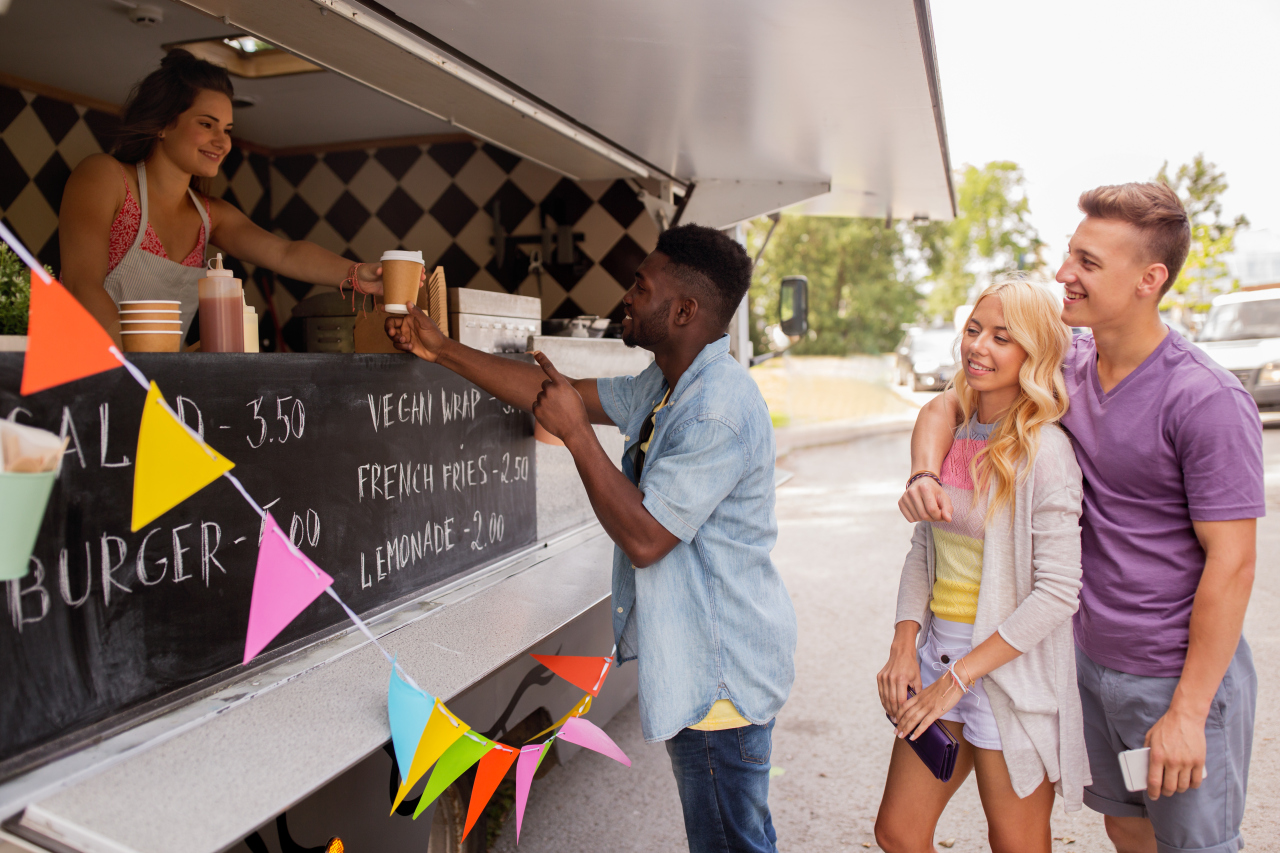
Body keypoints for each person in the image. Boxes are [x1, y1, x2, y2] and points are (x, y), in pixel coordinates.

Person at [385, 223, 797, 853]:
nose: (626, 296)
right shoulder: (668, 386)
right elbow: (557, 395)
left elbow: (647, 538)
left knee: (731, 844)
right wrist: (442, 350)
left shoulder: (716, 409)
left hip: (721, 676)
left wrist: (578, 436)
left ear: (684, 310)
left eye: (641, 285)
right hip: (711, 664)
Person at [902, 183, 1263, 853]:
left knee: (1196, 845)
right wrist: (925, 470)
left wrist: (1186, 710)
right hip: (1086, 668)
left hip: (1170, 679)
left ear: (1149, 280)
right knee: (1127, 827)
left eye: (1088, 263)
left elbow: (1234, 563)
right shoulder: (1069, 363)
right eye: (1069, 255)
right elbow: (949, 403)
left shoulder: (1205, 398)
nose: (1064, 274)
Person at [875, 275, 1089, 853]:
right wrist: (903, 645)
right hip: (939, 657)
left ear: (1034, 352)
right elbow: (925, 548)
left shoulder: (1046, 452)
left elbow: (1057, 594)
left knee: (1015, 845)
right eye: (974, 330)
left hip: (1007, 676)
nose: (980, 347)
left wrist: (959, 679)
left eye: (1002, 337)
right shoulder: (957, 432)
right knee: (898, 832)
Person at [59, 49, 414, 343]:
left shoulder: (209, 216)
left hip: (158, 386)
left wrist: (357, 274)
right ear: (163, 124)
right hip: (91, 371)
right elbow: (81, 284)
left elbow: (284, 253)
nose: (223, 141)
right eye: (206, 124)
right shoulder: (105, 177)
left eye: (227, 129)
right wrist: (133, 370)